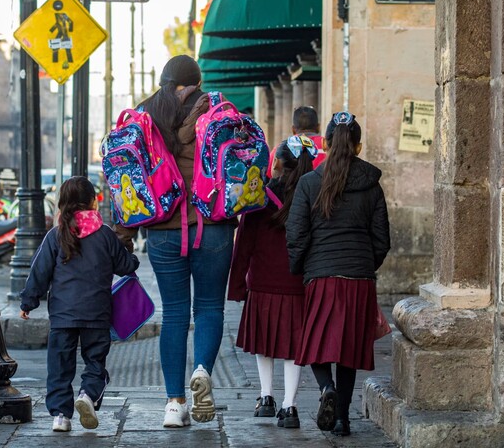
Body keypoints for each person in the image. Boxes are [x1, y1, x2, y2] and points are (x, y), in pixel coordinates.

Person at [115, 55, 237, 428]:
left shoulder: (145, 114)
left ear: (166, 80)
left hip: (164, 232)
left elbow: (129, 177)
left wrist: (124, 235)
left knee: (174, 314)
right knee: (210, 308)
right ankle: (201, 370)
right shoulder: (215, 108)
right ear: (196, 83)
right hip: (213, 225)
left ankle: (174, 403)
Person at [285, 111, 390, 437]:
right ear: (358, 146)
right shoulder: (371, 186)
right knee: (349, 351)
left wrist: (302, 267)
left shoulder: (309, 183)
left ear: (326, 144)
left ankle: (326, 388)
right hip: (359, 278)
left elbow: (296, 233)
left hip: (322, 275)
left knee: (315, 343)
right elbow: (381, 239)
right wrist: (364, 265)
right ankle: (342, 419)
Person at [20, 176, 139, 433]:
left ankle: (61, 416)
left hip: (63, 317)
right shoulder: (105, 234)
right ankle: (87, 395)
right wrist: (129, 250)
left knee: (59, 368)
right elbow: (126, 266)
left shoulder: (56, 234)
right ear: (94, 202)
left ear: (62, 203)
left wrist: (28, 301)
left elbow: (39, 271)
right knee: (95, 362)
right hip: (97, 314)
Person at [228, 135, 318, 429]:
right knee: (293, 349)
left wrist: (237, 285)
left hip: (263, 282)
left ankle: (265, 397)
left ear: (277, 162)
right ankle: (289, 406)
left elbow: (244, 243)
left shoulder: (260, 197)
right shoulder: (314, 196)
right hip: (297, 284)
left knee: (264, 344)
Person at [266, 106, 326, 179]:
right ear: (318, 127)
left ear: (293, 129)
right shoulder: (328, 146)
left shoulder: (281, 150)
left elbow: (268, 176)